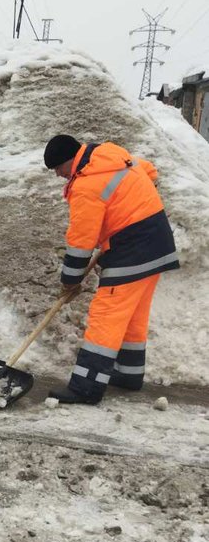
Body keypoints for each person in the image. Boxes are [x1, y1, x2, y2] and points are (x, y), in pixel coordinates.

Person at [42, 134, 178, 405]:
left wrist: (70, 278)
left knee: (107, 315)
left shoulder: (87, 184)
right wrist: (130, 204)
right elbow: (149, 170)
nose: (59, 176)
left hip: (133, 250)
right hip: (157, 244)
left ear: (70, 161)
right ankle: (128, 375)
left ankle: (86, 388)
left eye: (58, 169)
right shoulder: (112, 157)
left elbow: (82, 240)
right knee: (133, 315)